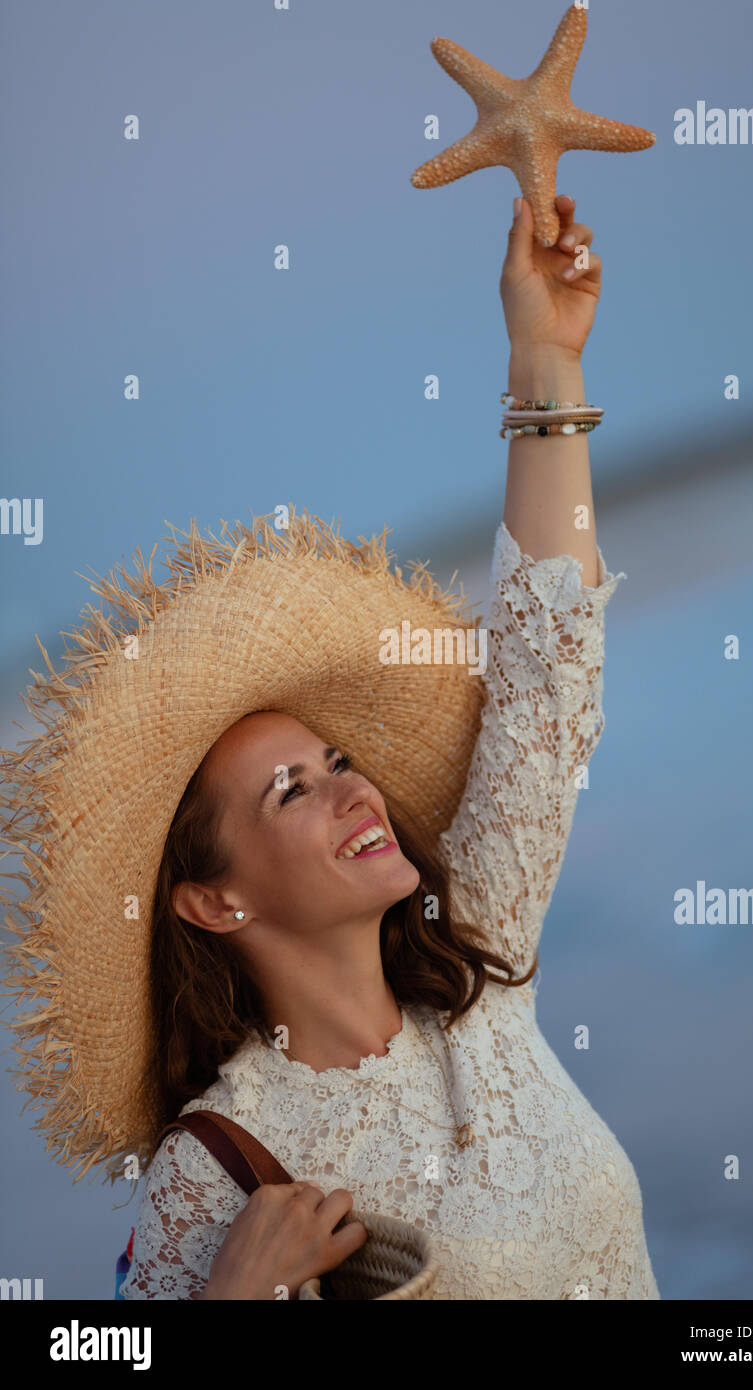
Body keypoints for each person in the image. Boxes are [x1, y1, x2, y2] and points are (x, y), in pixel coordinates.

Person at [1, 194, 659, 1300]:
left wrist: (541, 356)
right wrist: (231, 1295)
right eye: (288, 792)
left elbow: (548, 674)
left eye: (339, 763)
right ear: (212, 902)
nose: (350, 792)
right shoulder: (211, 1170)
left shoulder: (476, 964)